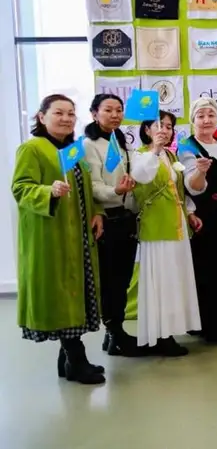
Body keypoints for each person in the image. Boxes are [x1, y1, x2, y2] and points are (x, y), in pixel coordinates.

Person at [13, 94, 105, 384]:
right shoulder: (32, 149)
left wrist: (97, 212)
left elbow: (86, 185)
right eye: (58, 113)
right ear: (42, 117)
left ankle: (66, 361)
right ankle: (77, 361)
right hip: (49, 235)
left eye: (71, 113)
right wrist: (47, 192)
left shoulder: (72, 149)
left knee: (76, 294)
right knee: (61, 295)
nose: (66, 118)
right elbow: (21, 188)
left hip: (78, 234)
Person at [131, 111, 202, 356]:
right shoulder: (140, 155)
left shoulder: (172, 155)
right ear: (147, 130)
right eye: (159, 125)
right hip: (157, 225)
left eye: (169, 126)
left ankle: (170, 330)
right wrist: (155, 150)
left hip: (177, 222)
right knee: (161, 279)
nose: (165, 130)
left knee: (175, 278)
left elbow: (180, 188)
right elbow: (141, 176)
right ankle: (159, 335)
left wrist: (190, 212)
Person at [83, 94, 141, 357]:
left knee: (122, 279)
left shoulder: (119, 140)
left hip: (126, 218)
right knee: (111, 281)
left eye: (119, 110)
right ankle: (114, 332)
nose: (115, 115)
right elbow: (92, 185)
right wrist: (115, 191)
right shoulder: (89, 144)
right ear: (95, 113)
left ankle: (113, 333)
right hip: (107, 219)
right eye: (108, 110)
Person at [180, 97, 217, 343]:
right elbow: (192, 187)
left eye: (210, 115)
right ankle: (206, 325)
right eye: (200, 115)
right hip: (202, 216)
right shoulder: (187, 147)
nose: (206, 120)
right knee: (204, 269)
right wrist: (200, 171)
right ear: (193, 120)